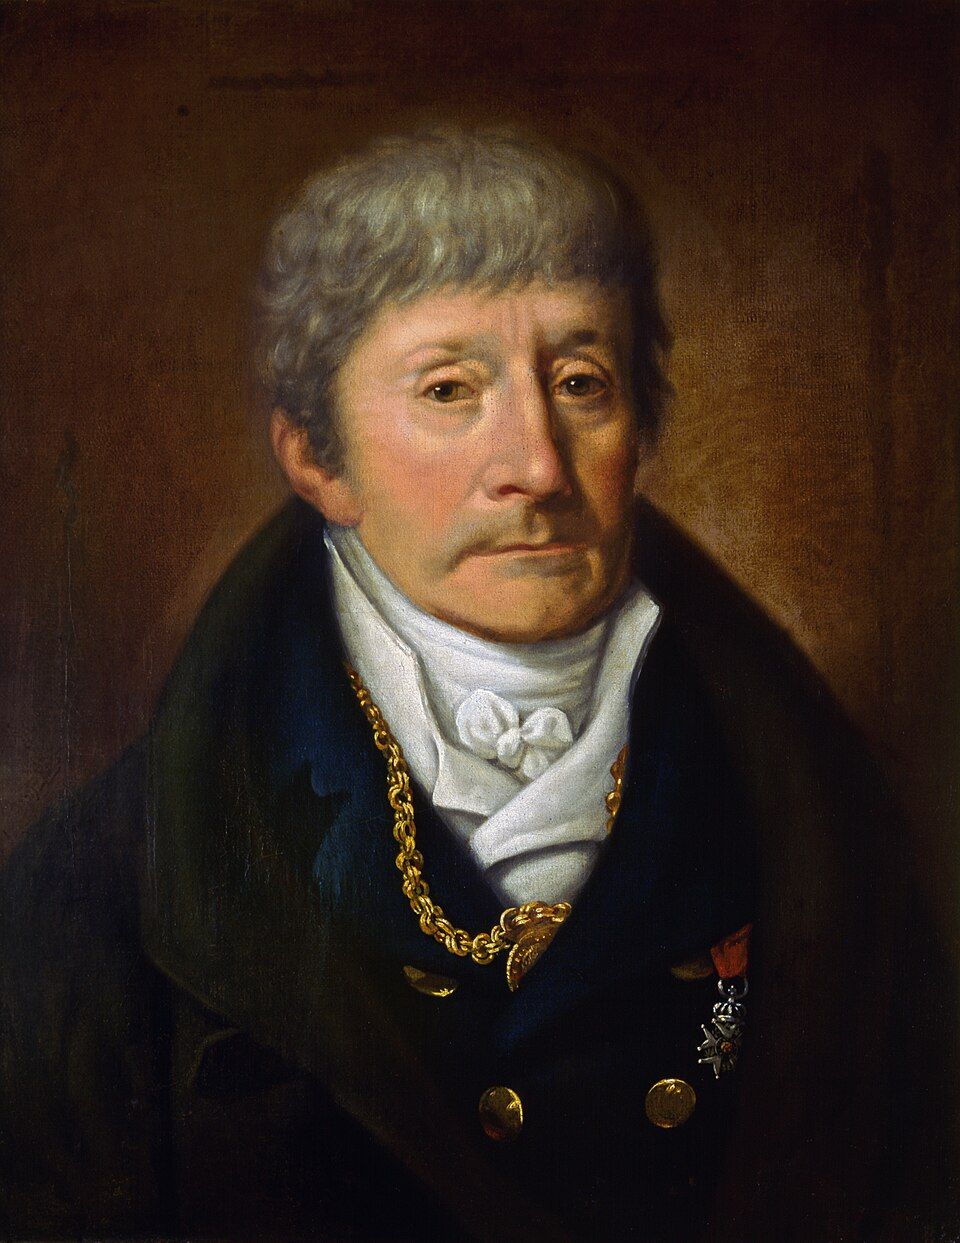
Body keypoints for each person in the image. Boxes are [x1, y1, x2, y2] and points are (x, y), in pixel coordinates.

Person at [0, 128, 952, 1242]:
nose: (537, 466)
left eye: (581, 383)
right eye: (450, 389)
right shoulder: (104, 888)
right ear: (317, 458)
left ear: (640, 429)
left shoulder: (828, 832)